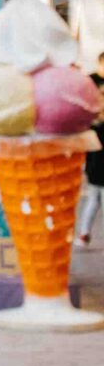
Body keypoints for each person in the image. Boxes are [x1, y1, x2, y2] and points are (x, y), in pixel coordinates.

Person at [78, 51, 104, 249]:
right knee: (94, 196)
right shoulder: (90, 82)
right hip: (96, 162)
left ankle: (84, 233)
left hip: (96, 160)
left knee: (95, 197)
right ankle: (84, 232)